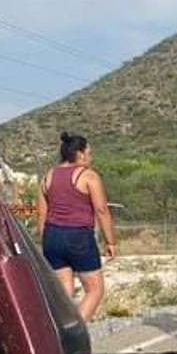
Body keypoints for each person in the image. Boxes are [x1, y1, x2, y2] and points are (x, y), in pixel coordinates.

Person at [37, 132, 117, 322]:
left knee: (64, 291)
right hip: (78, 236)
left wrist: (45, 240)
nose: (90, 157)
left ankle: (59, 329)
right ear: (80, 154)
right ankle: (75, 332)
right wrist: (111, 242)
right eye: (89, 153)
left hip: (52, 235)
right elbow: (101, 210)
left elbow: (41, 214)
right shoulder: (88, 176)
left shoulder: (47, 176)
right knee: (95, 290)